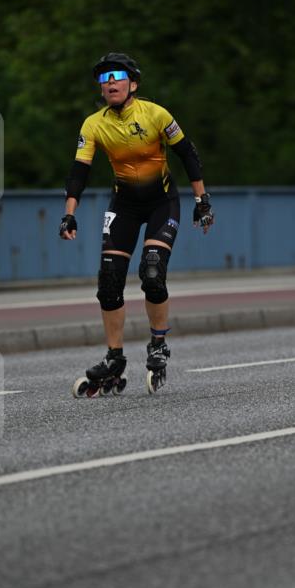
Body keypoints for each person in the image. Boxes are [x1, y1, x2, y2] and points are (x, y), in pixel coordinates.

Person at [60, 52, 214, 394]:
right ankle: (114, 358)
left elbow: (188, 153)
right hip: (124, 205)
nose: (110, 82)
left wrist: (202, 201)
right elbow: (78, 172)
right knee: (108, 282)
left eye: (117, 76)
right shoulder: (93, 124)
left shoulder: (156, 114)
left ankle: (158, 343)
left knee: (152, 271)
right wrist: (69, 213)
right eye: (103, 78)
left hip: (162, 201)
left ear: (134, 83)